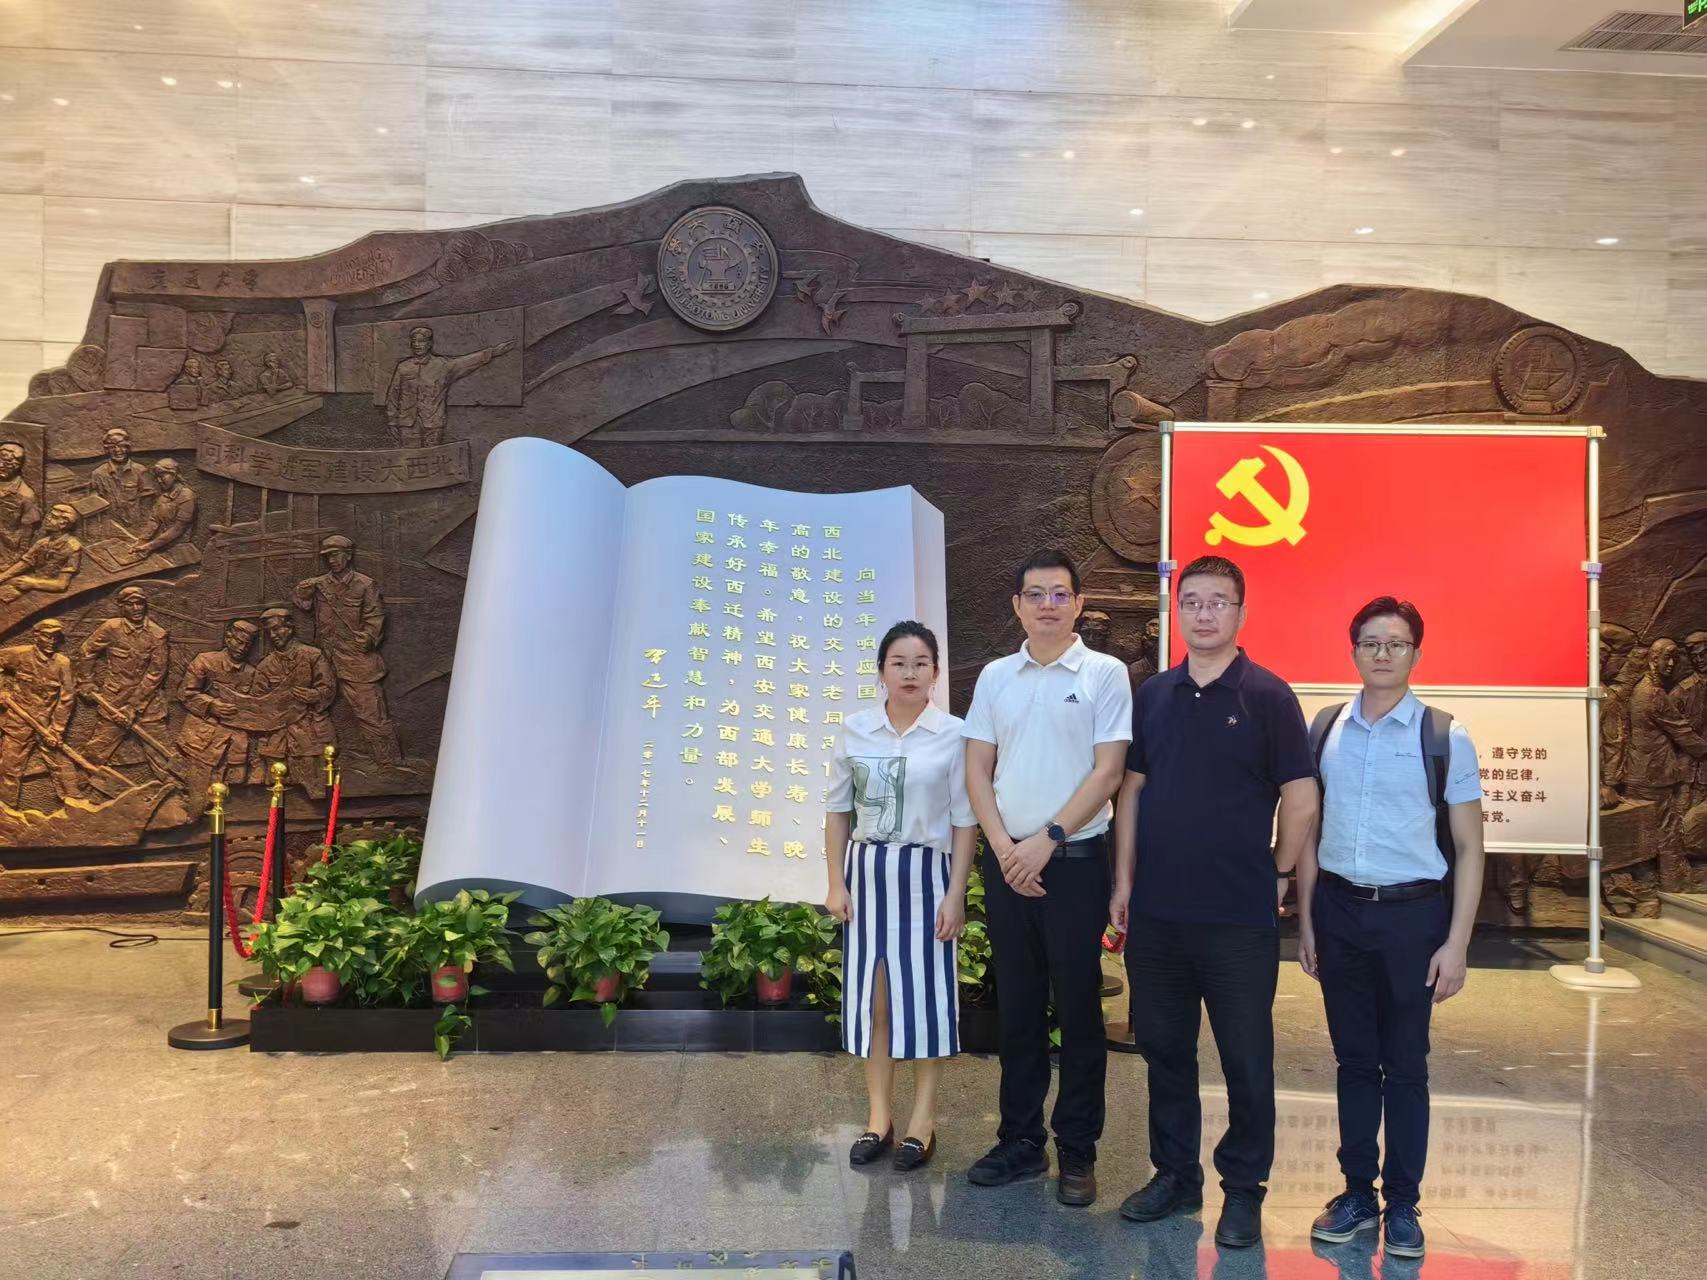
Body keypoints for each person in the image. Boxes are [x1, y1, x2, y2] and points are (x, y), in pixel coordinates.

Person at [1112, 554, 1317, 1248]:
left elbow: (1300, 796)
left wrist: (1280, 870)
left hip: (1236, 919)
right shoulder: (1154, 695)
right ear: (1178, 612)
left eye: (1217, 602)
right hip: (1158, 915)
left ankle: (1243, 1190)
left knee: (1245, 1061)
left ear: (1240, 612)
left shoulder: (1268, 696)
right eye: (1192, 602)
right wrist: (1123, 882)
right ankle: (1174, 1174)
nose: (1204, 613)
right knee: (1164, 1051)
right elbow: (1132, 790)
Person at [1297, 596, 1486, 1260]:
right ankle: (1356, 1193)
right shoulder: (1325, 729)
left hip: (1413, 917)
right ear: (1353, 651)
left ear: (1416, 653)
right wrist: (1308, 922)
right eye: (1370, 643)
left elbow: (1471, 848)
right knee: (1353, 1060)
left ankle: (1403, 1204)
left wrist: (1457, 943)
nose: (1382, 654)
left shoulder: (1445, 736)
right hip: (1339, 912)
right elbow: (1309, 831)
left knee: (1405, 1064)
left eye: (1395, 644)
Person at [962, 549, 1132, 1207]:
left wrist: (1047, 840)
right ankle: (1020, 1141)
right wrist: (1006, 847)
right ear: (1016, 606)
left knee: (1079, 1010)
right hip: (1009, 865)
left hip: (1073, 865)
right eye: (1034, 594)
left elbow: (1108, 771)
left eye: (1060, 594)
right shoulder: (996, 677)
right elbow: (977, 769)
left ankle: (1078, 1151)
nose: (1047, 605)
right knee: (1019, 1009)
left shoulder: (1103, 674)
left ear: (1079, 604)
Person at [824, 621, 979, 1172]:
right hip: (868, 877)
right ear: (881, 671)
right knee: (878, 1002)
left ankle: (922, 1124)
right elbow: (837, 812)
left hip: (927, 875)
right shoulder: (856, 729)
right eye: (898, 662)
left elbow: (964, 821)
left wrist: (956, 893)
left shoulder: (955, 734)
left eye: (920, 663)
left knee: (926, 1002)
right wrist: (835, 881)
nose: (910, 673)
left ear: (936, 672)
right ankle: (878, 1120)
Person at [294, 534, 404, 765]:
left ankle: (388, 762)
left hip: (356, 659)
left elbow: (375, 616)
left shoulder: (365, 584)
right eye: (327, 557)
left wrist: (369, 637)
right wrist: (302, 591)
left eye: (335, 555)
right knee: (316, 709)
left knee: (370, 712)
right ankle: (322, 761)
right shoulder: (320, 584)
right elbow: (302, 604)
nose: (332, 561)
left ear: (349, 555)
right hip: (326, 658)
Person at [78, 585, 169, 765]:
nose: (136, 608)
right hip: (114, 701)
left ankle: (174, 781)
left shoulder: (157, 634)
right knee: (96, 752)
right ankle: (85, 780)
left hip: (147, 704)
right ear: (121, 606)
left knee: (163, 756)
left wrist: (133, 706)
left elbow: (155, 673)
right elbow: (87, 652)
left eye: (140, 603)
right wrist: (86, 681)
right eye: (130, 604)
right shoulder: (111, 628)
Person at [252, 606, 337, 797]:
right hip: (277, 738)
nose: (273, 635)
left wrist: (315, 695)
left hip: (310, 733)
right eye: (269, 632)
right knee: (276, 793)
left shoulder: (312, 655)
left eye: (276, 629)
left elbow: (328, 688)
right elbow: (258, 703)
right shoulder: (265, 666)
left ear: (289, 628)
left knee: (316, 790)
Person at [0, 618, 84, 807]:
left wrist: (57, 729)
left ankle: (77, 805)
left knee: (62, 766)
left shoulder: (62, 663)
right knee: (9, 768)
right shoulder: (19, 654)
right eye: (47, 636)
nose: (52, 641)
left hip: (47, 724)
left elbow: (67, 698)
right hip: (18, 722)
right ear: (36, 636)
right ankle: (6, 809)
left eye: (56, 637)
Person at [89, 427, 155, 533]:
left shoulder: (140, 471)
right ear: (107, 449)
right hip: (110, 528)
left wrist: (143, 526)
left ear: (127, 447)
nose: (117, 450)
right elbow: (94, 504)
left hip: (136, 527)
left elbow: (148, 502)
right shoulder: (98, 474)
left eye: (121, 446)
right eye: (112, 447)